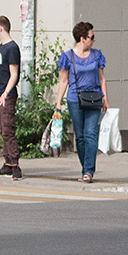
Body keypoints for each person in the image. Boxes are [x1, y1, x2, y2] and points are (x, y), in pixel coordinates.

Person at [53, 22, 108, 183]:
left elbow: (102, 78)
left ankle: (89, 171)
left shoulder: (97, 55)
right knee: (81, 136)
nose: (94, 40)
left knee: (91, 133)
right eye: (91, 37)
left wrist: (105, 99)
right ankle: (85, 167)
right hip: (74, 99)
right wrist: (58, 104)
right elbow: (63, 81)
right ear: (82, 38)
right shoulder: (68, 57)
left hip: (94, 98)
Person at [0, 15, 23, 181]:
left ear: (0, 28)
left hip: (6, 95)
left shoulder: (11, 48)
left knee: (8, 129)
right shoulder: (0, 48)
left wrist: (5, 93)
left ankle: (15, 164)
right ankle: (8, 162)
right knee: (2, 129)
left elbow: (14, 74)